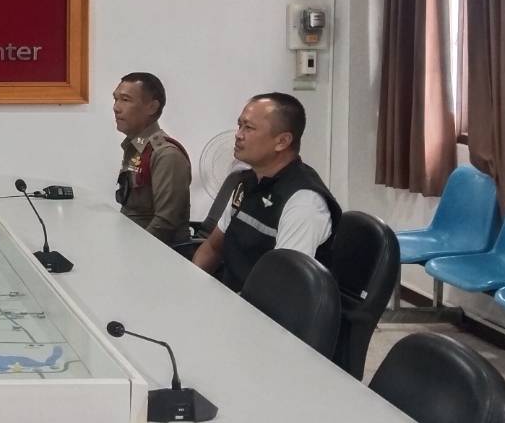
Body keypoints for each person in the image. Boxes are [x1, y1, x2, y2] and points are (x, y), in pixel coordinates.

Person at [192, 92, 340, 291]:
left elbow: (281, 285)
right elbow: (212, 247)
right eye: (239, 125)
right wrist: (190, 285)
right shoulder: (247, 181)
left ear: (282, 141)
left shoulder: (304, 202)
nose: (238, 135)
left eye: (249, 128)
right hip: (230, 295)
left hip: (265, 305)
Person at [112, 71, 191, 244]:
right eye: (115, 99)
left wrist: (136, 252)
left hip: (156, 251)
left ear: (152, 107)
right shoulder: (136, 147)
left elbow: (165, 223)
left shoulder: (166, 155)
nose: (116, 107)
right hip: (130, 240)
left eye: (125, 100)